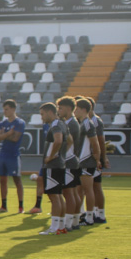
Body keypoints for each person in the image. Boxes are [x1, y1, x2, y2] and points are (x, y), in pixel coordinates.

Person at [37, 102, 67, 235]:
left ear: (50, 112)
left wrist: (50, 156)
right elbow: (69, 140)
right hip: (60, 164)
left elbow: (59, 141)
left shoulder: (55, 125)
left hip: (53, 165)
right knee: (58, 195)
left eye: (43, 114)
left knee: (54, 196)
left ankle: (54, 227)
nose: (42, 117)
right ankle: (61, 226)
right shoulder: (61, 123)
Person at [0, 99, 26, 213]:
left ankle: (20, 206)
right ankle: (3, 206)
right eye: (4, 109)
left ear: (13, 109)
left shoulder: (19, 123)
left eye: (6, 109)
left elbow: (15, 138)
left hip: (13, 154)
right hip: (3, 154)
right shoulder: (3, 123)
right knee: (2, 180)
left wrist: (3, 135)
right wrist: (7, 134)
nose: (4, 111)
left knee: (17, 180)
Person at [74, 98, 101, 227]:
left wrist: (97, 159)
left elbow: (95, 143)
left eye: (77, 109)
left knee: (87, 189)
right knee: (79, 190)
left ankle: (89, 218)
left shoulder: (87, 124)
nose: (75, 111)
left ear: (83, 110)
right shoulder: (82, 123)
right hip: (81, 162)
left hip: (86, 161)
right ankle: (80, 215)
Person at [57, 96, 81, 231]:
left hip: (69, 161)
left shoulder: (70, 124)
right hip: (73, 160)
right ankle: (75, 221)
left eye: (60, 108)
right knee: (73, 192)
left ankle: (68, 223)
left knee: (68, 193)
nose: (59, 111)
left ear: (69, 108)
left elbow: (68, 142)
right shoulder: (73, 122)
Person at [89, 98, 109, 224]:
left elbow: (100, 140)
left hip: (93, 158)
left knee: (94, 186)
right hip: (89, 158)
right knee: (91, 187)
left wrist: (102, 157)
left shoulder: (95, 121)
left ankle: (98, 214)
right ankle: (96, 213)